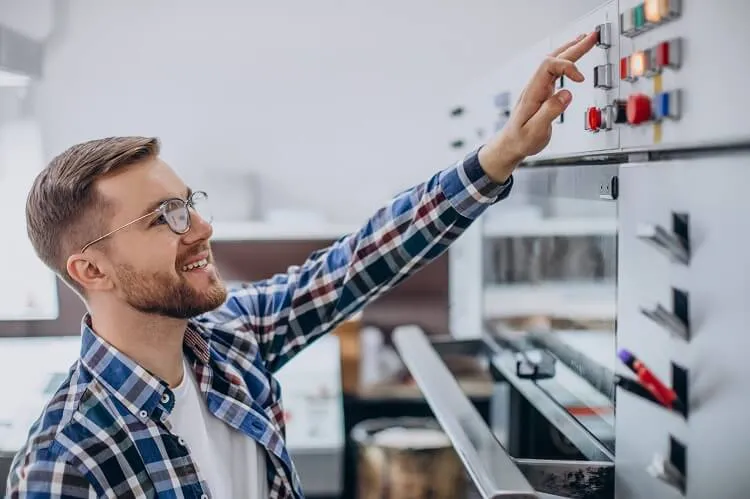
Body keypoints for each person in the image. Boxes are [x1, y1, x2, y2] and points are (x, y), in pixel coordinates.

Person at [5, 32, 598, 499]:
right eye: (167, 217)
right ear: (91, 271)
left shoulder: (231, 342)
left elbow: (357, 263)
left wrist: (497, 159)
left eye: (191, 204)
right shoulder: (65, 462)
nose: (202, 227)